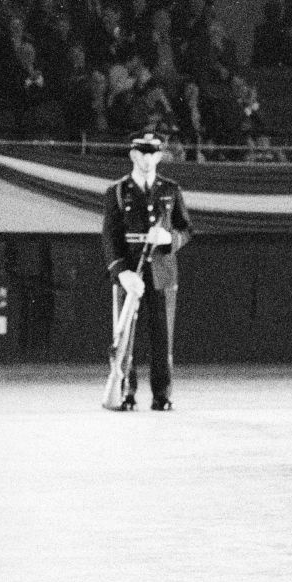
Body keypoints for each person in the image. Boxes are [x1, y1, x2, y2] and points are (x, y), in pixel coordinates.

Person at [99, 131, 193, 411]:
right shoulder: (117, 191)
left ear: (160, 155)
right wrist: (122, 273)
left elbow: (186, 229)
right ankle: (126, 391)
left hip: (162, 273)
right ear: (133, 155)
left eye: (153, 152)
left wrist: (168, 239)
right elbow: (109, 237)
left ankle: (162, 394)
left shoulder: (170, 189)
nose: (148, 158)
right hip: (130, 274)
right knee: (127, 336)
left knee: (162, 336)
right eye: (142, 152)